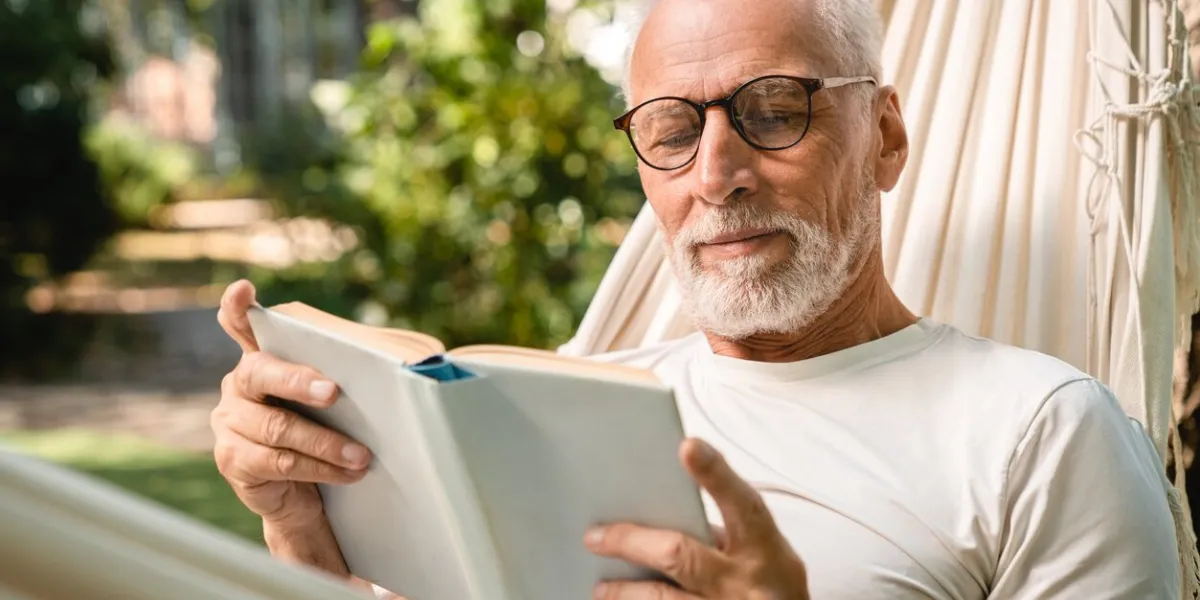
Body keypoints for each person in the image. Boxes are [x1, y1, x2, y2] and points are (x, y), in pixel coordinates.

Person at [210, 0, 1183, 597]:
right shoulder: (577, 403)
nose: (717, 175)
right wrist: (301, 535)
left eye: (774, 112)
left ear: (885, 137)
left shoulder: (1040, 433)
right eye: (673, 131)